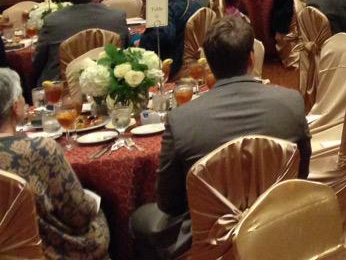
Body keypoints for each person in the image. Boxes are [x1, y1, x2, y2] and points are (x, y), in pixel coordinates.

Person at [131, 17, 310, 260]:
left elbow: (169, 204)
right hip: (277, 225)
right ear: (251, 59)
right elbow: (301, 175)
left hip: (208, 239)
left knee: (139, 219)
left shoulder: (181, 120)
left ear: (210, 67)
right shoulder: (292, 102)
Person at [0, 68, 111, 259]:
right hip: (48, 249)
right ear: (15, 106)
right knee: (103, 209)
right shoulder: (39, 149)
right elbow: (80, 214)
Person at [32, 0, 129, 86]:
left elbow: (38, 62)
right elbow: (126, 52)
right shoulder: (116, 17)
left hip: (62, 88)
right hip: (109, 84)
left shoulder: (53, 21)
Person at [138, 0, 205, 76]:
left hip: (174, 62)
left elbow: (164, 37)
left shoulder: (164, 7)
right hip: (200, 57)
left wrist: (144, 38)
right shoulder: (195, 4)